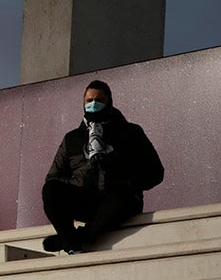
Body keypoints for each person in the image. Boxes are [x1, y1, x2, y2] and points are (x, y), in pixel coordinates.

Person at [41, 80, 164, 253]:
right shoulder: (72, 139)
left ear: (109, 102)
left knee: (120, 198)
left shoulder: (131, 133)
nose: (93, 104)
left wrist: (126, 183)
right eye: (89, 100)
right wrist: (76, 185)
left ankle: (74, 240)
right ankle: (70, 238)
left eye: (99, 100)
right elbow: (53, 177)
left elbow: (156, 172)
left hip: (119, 200)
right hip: (87, 201)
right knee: (51, 189)